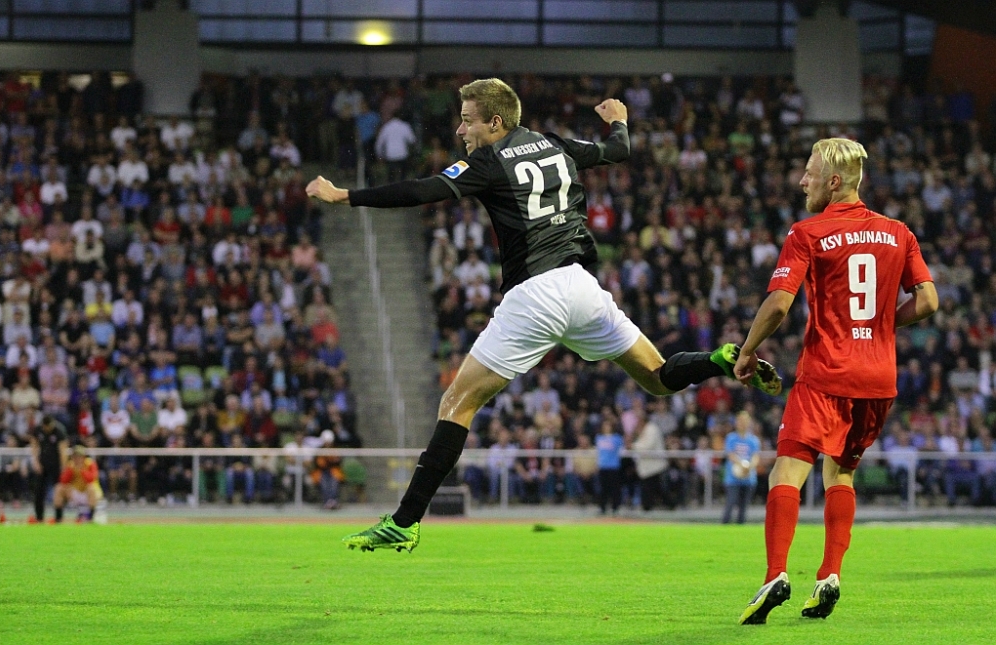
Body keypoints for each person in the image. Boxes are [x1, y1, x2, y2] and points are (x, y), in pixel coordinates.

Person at [308, 78, 781, 553]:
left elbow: (421, 190)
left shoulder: (489, 160)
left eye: (468, 121)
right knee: (658, 377)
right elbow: (618, 150)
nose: (460, 131)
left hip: (535, 294)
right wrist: (619, 121)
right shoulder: (554, 144)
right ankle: (719, 359)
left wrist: (346, 196)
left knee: (457, 404)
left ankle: (404, 521)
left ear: (495, 122)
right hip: (582, 287)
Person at [734, 138, 937, 625]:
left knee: (786, 471)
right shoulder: (899, 233)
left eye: (809, 172)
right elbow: (929, 300)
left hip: (826, 370)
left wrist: (747, 350)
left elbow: (779, 304)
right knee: (841, 473)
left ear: (833, 181)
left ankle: (775, 574)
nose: (801, 181)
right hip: (878, 377)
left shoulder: (808, 232)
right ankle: (829, 575)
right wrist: (882, 323)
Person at [722, 411, 760, 525]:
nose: (742, 424)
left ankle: (740, 526)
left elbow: (755, 456)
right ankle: (724, 525)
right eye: (740, 421)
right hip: (733, 478)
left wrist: (749, 466)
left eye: (745, 421)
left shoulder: (753, 440)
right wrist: (742, 464)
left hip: (748, 478)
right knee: (730, 503)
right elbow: (730, 455)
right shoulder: (731, 438)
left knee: (743, 508)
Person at [28, 414, 68, 523]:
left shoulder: (59, 431)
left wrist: (63, 467)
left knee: (58, 491)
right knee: (39, 491)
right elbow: (34, 445)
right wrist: (35, 462)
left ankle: (58, 518)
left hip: (56, 465)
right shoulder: (38, 430)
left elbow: (63, 451)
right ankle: (39, 517)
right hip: (42, 464)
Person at [52, 444, 103, 522]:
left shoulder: (90, 464)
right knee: (58, 488)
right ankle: (58, 518)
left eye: (79, 456)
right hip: (75, 493)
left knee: (91, 488)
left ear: (83, 457)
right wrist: (71, 470)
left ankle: (90, 518)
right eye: (75, 456)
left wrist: (82, 470)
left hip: (88, 493)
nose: (77, 459)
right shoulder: (71, 465)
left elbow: (91, 479)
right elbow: (63, 480)